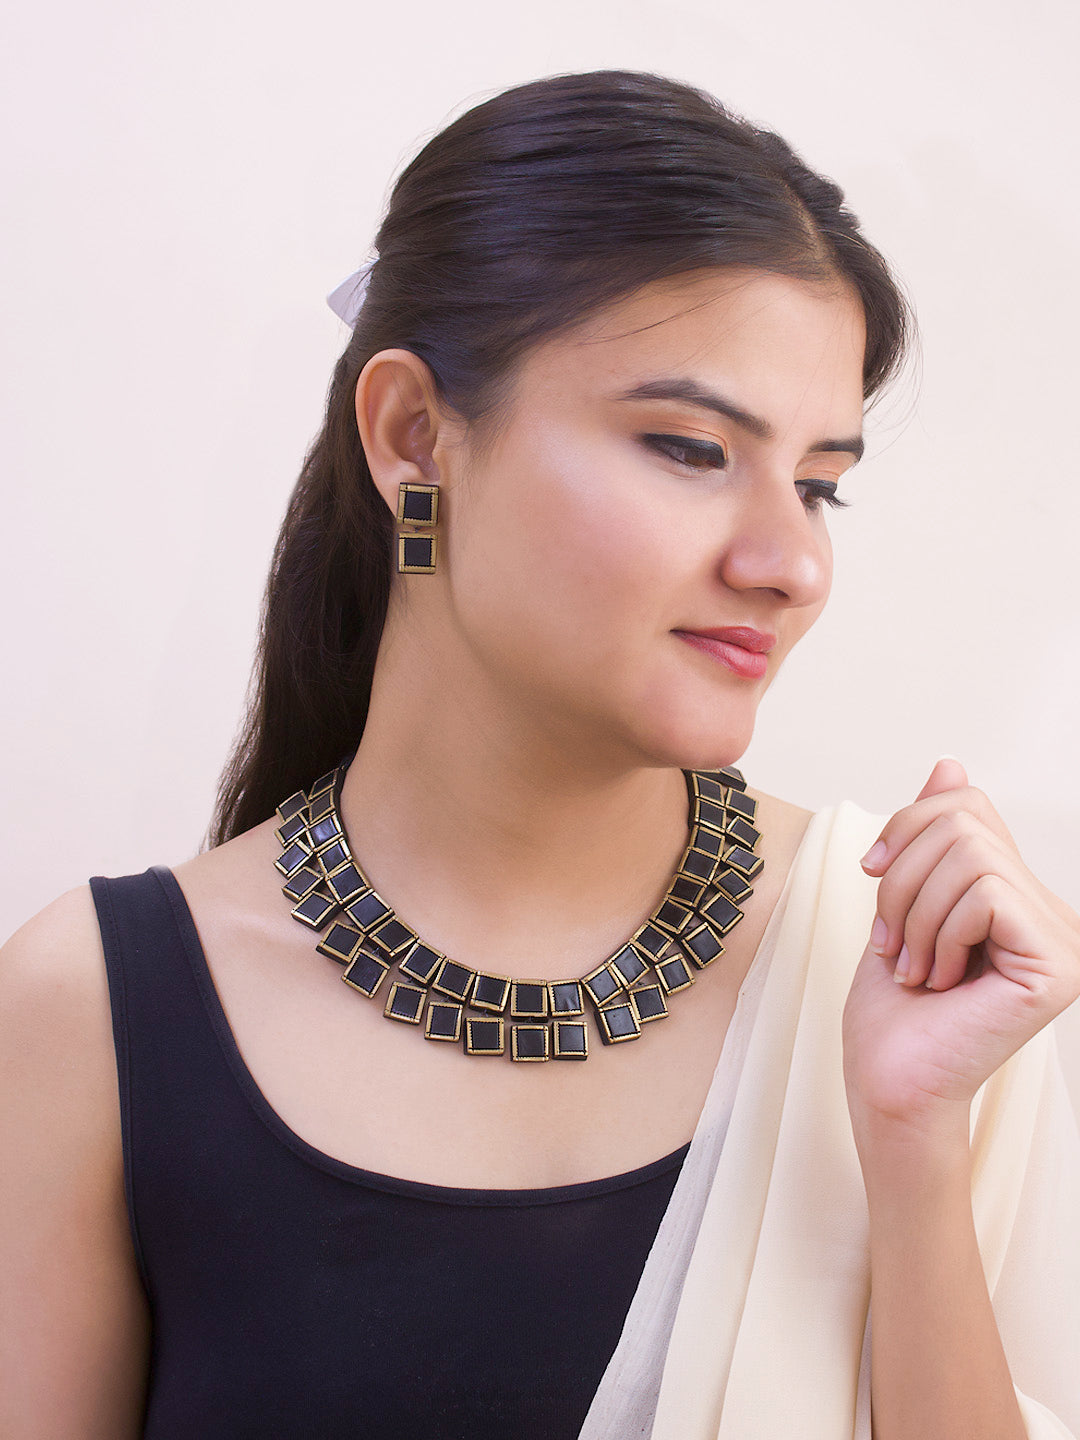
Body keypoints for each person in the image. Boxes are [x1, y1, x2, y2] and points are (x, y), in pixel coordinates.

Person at [2, 69, 1078, 1440]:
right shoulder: (91, 1011)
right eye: (691, 448)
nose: (793, 563)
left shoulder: (902, 964)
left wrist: (912, 1145)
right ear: (413, 436)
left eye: (819, 486)